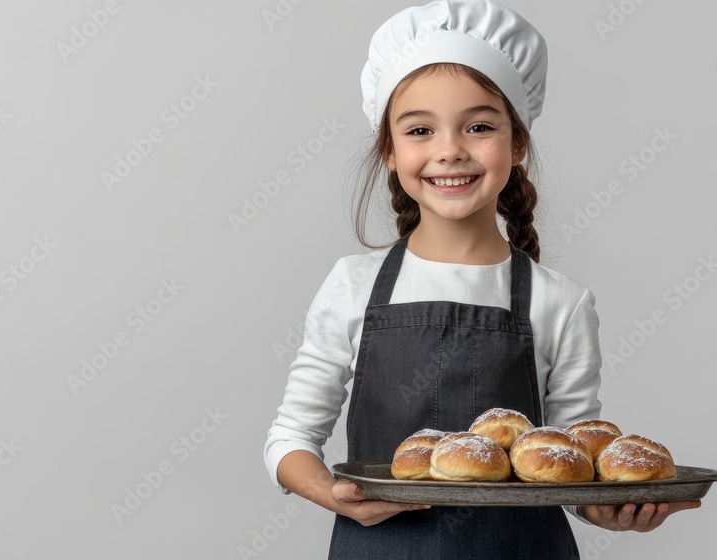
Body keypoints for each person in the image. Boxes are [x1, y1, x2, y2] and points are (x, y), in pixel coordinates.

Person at [262, 1, 701, 558]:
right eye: (420, 129)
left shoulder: (558, 302)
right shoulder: (352, 286)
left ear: (516, 144)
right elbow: (289, 439)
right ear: (390, 151)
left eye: (479, 126)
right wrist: (330, 491)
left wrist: (614, 511)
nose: (449, 149)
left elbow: (574, 464)